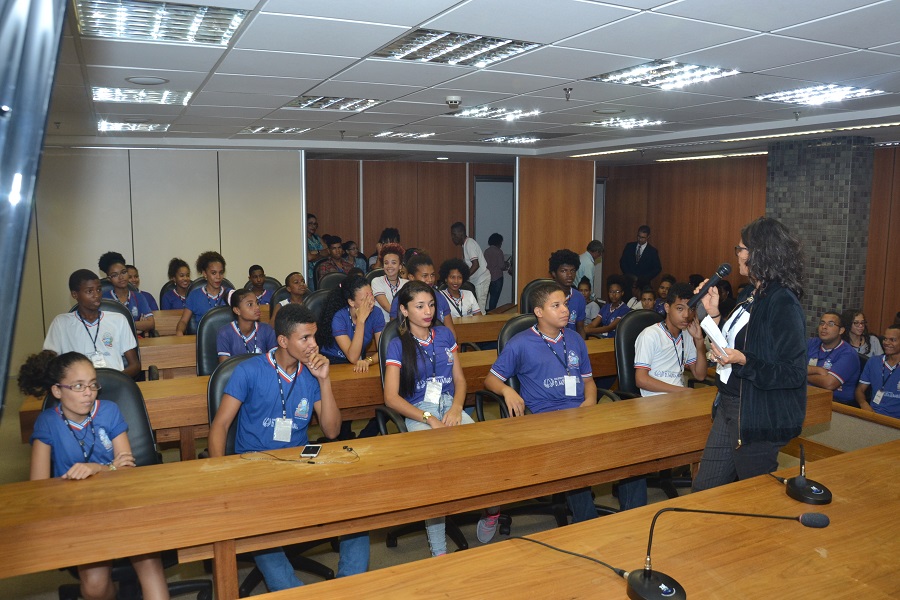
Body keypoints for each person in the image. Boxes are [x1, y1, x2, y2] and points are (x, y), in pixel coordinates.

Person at [208, 304, 369, 590]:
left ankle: (349, 588)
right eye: (305, 338)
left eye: (314, 337)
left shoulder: (311, 374)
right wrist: (221, 475)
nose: (313, 345)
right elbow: (220, 426)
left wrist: (324, 380)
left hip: (300, 464)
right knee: (260, 527)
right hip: (254, 466)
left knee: (356, 508)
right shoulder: (248, 371)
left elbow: (332, 431)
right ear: (283, 341)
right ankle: (290, 591)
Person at [22, 350, 169, 600]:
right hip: (77, 511)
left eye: (92, 385)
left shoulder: (109, 411)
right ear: (57, 390)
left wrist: (98, 468)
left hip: (123, 502)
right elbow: (37, 488)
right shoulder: (47, 422)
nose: (88, 392)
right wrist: (112, 466)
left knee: (149, 565)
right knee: (95, 587)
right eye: (78, 386)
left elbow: (126, 467)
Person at [693, 217, 807, 492]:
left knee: (755, 496)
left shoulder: (782, 301)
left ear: (761, 253)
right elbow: (735, 343)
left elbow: (793, 373)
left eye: (741, 248)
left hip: (757, 414)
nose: (737, 254)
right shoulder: (750, 293)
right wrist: (714, 315)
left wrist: (744, 361)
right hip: (729, 403)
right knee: (703, 493)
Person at [484, 281, 598, 526]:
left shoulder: (575, 339)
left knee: (629, 446)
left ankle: (635, 516)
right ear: (539, 312)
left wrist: (590, 402)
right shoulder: (520, 343)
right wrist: (507, 390)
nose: (565, 310)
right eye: (556, 306)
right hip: (546, 417)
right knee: (573, 455)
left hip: (581, 414)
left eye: (565, 304)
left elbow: (589, 381)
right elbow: (490, 380)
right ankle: (589, 525)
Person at [384, 281, 476, 555]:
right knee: (434, 473)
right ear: (404, 310)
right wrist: (428, 418)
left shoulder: (445, 335)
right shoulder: (397, 345)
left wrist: (457, 407)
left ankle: (492, 511)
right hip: (419, 411)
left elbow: (460, 380)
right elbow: (391, 398)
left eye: (432, 305)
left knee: (482, 451)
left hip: (450, 405)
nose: (428, 311)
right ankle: (438, 550)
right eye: (420, 306)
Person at [44, 270, 141, 379]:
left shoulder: (118, 319)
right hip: (78, 385)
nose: (96, 295)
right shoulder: (61, 323)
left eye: (98, 289)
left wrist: (115, 380)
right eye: (89, 291)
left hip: (113, 382)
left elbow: (135, 365)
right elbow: (49, 365)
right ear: (75, 294)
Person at [635, 282, 708, 396]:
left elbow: (700, 375)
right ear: (667, 308)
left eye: (691, 309)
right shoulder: (650, 335)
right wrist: (681, 390)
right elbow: (641, 380)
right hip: (654, 399)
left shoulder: (687, 334)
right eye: (680, 308)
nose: (686, 315)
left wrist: (699, 341)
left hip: (678, 397)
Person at [317, 275, 384, 372]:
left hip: (358, 359)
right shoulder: (339, 317)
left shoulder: (376, 313)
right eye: (364, 299)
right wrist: (361, 321)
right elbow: (353, 357)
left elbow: (383, 350)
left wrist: (369, 360)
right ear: (351, 302)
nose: (371, 302)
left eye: (371, 295)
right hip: (332, 361)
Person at [389, 253, 456, 338]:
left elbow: (451, 332)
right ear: (411, 277)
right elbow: (395, 333)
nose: (430, 279)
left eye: (432, 275)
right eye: (425, 276)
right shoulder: (400, 299)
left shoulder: (439, 297)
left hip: (439, 342)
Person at [807, 311, 860, 406]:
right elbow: (789, 365)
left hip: (836, 404)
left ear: (841, 330)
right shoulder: (812, 343)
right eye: (822, 323)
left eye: (830, 324)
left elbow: (829, 384)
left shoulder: (848, 354)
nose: (824, 327)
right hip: (808, 395)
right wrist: (818, 370)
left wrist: (800, 375)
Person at [98, 251, 155, 336]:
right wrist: (136, 327)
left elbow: (151, 323)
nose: (121, 277)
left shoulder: (138, 297)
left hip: (137, 341)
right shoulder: (104, 299)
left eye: (123, 272)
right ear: (109, 279)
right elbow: (103, 327)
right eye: (115, 275)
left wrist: (121, 326)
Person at [176, 251, 230, 335]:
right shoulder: (194, 296)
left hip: (227, 339)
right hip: (203, 340)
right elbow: (183, 321)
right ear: (205, 273)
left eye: (221, 272)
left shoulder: (230, 294)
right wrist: (179, 332)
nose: (218, 277)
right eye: (214, 273)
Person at [217, 289, 277, 363]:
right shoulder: (225, 333)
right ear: (237, 310)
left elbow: (275, 363)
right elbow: (225, 367)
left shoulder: (267, 330)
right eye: (250, 304)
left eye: (257, 303)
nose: (257, 307)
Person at [855, 325, 900, 418]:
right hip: (873, 416)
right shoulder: (874, 361)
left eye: (892, 340)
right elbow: (860, 390)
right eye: (885, 339)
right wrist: (863, 404)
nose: (886, 343)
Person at [450, 222, 490, 313]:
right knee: (474, 308)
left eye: (454, 234)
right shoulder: (465, 245)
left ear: (461, 233)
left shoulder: (469, 244)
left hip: (481, 280)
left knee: (480, 309)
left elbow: (476, 264)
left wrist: (463, 277)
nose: (452, 237)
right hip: (476, 281)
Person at [548, 249, 586, 338]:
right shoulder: (546, 297)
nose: (569, 275)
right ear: (554, 273)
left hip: (572, 342)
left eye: (572, 271)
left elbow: (580, 328)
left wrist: (582, 345)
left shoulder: (579, 297)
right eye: (564, 271)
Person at [371, 243, 407, 322]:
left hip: (402, 323)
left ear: (400, 266)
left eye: (393, 263)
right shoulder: (376, 281)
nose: (389, 266)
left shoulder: (406, 284)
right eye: (386, 263)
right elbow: (385, 306)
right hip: (381, 325)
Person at [484, 233, 512, 311]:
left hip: (488, 277)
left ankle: (486, 313)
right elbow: (501, 266)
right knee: (494, 299)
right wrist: (506, 264)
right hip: (497, 278)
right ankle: (492, 313)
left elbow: (485, 265)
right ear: (498, 242)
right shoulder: (499, 251)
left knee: (486, 298)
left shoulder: (486, 251)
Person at [306, 213, 327, 286]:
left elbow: (328, 251)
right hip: (310, 274)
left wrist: (314, 253)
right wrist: (321, 253)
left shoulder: (317, 237)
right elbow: (309, 257)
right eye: (310, 223)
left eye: (315, 224)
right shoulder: (303, 238)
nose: (313, 226)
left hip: (322, 271)